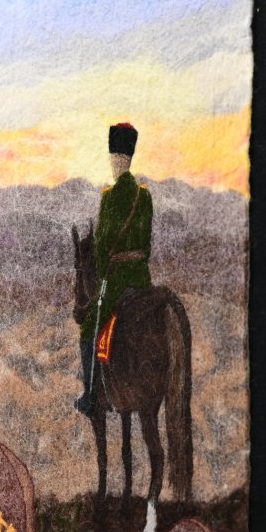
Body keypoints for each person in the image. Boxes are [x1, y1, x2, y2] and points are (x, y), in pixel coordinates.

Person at [75, 122, 153, 416]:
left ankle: (90, 395)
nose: (114, 163)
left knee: (89, 324)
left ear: (115, 159)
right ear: (129, 158)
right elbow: (146, 244)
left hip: (116, 279)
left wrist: (105, 267)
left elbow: (102, 242)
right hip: (142, 279)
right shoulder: (143, 195)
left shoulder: (109, 197)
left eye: (113, 158)